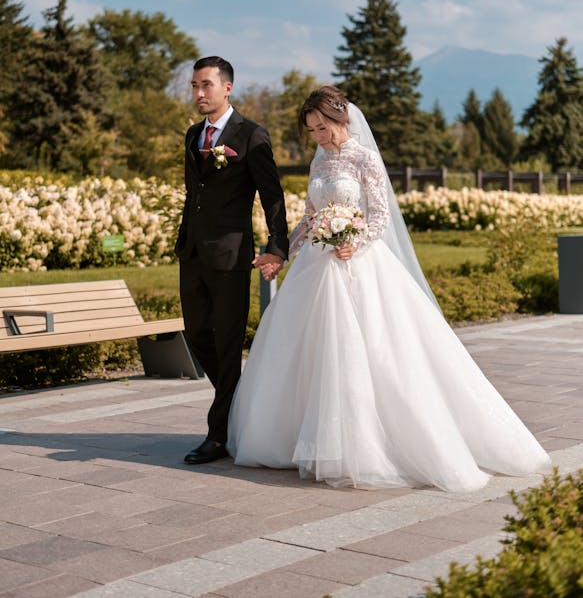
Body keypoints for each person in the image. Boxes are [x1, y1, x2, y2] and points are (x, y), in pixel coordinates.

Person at [227, 85, 551, 491]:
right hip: (316, 267)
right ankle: (300, 442)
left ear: (340, 120)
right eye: (311, 131)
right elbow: (311, 219)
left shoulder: (365, 159)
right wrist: (281, 255)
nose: (318, 137)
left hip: (358, 266)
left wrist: (353, 242)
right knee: (306, 351)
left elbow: (380, 218)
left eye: (322, 128)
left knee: (369, 352)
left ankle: (365, 446)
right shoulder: (319, 161)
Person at [176, 56, 288, 465]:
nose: (199, 93)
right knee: (195, 334)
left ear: (227, 88)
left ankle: (219, 434)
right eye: (194, 86)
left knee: (226, 344)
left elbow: (271, 195)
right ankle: (239, 403)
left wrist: (277, 246)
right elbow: (195, 194)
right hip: (192, 253)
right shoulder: (193, 135)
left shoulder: (251, 135)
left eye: (206, 85)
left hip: (230, 255)